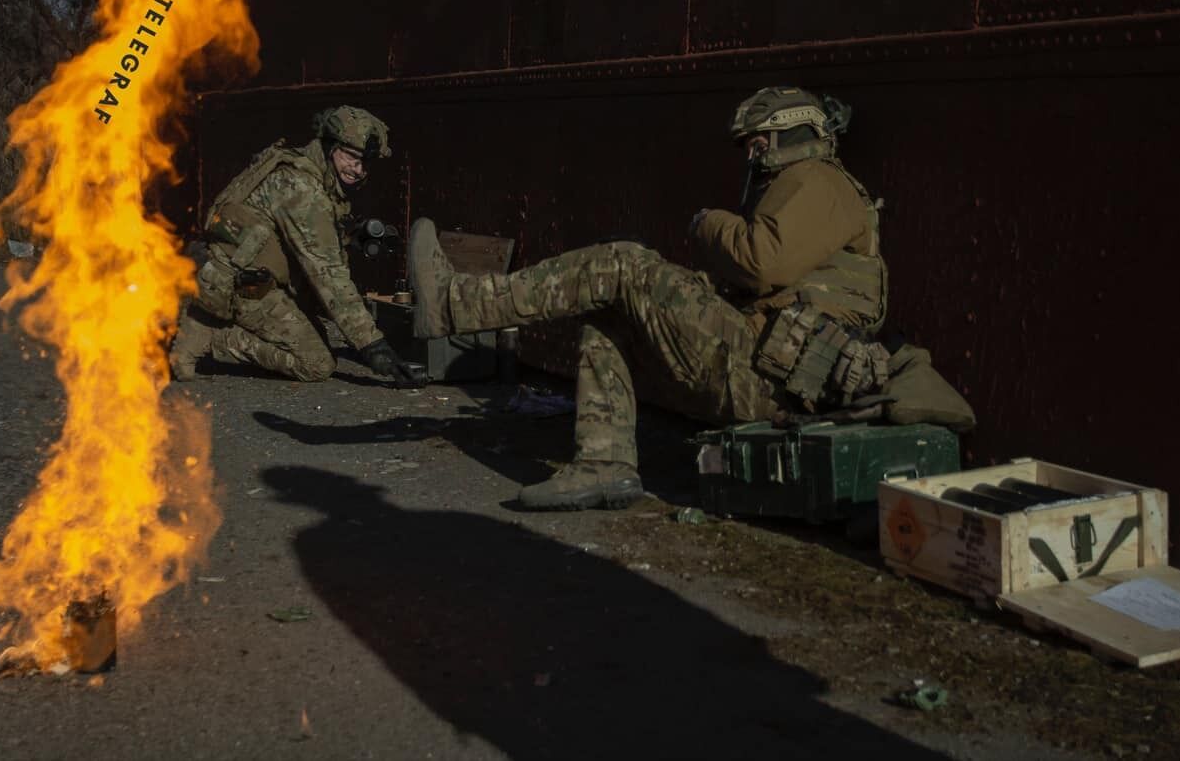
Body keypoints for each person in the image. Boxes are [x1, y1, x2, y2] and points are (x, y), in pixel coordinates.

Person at [405, 86, 973, 511]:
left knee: (621, 261)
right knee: (611, 315)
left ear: (786, 138)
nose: (751, 157)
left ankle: (455, 303)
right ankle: (604, 466)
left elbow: (760, 260)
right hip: (762, 374)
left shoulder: (817, 180)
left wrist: (708, 225)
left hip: (766, 379)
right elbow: (765, 288)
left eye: (757, 145)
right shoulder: (808, 191)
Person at [169, 105, 417, 384]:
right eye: (351, 157)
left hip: (246, 275)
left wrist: (351, 237)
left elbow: (301, 236)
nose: (358, 170)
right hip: (242, 287)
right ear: (330, 146)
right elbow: (327, 273)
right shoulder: (300, 187)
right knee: (317, 363)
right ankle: (216, 336)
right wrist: (373, 346)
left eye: (364, 163)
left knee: (318, 337)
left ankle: (207, 318)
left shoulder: (306, 171)